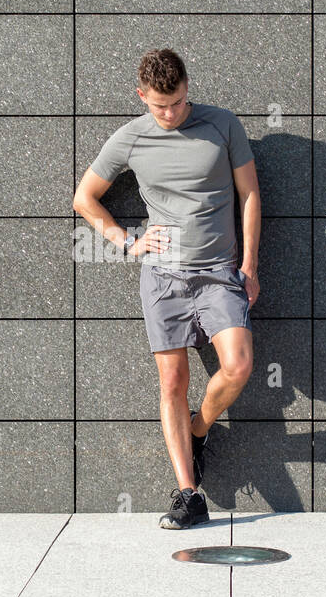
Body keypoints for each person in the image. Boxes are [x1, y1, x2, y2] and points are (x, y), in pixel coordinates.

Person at [73, 48, 261, 529]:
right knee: (173, 383)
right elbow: (84, 198)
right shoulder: (131, 138)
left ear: (186, 89)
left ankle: (198, 428)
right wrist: (125, 239)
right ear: (142, 96)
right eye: (160, 105)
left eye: (177, 102)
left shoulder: (222, 125)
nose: (171, 113)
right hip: (163, 278)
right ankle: (188, 493)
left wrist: (250, 264)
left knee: (237, 366)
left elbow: (250, 195)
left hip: (219, 271)